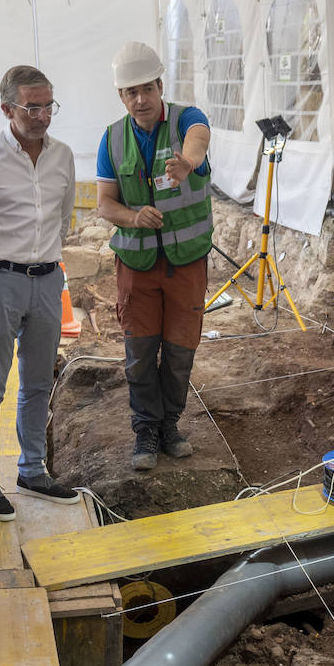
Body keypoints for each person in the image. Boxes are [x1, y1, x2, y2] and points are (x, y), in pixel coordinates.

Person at [0, 65, 80, 521]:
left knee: (39, 382)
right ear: (7, 108)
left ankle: (33, 471)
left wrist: (42, 264)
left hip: (48, 279)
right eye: (32, 106)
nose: (43, 115)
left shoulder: (63, 155)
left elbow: (63, 217)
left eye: (48, 105)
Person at [95, 41, 213, 471]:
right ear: (121, 97)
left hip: (186, 262)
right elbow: (105, 204)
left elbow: (200, 137)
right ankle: (145, 429)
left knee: (180, 349)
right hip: (136, 266)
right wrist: (132, 216)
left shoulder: (186, 120)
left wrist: (187, 162)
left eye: (147, 88)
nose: (140, 99)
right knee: (140, 352)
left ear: (161, 85)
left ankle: (170, 426)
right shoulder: (112, 137)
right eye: (131, 92)